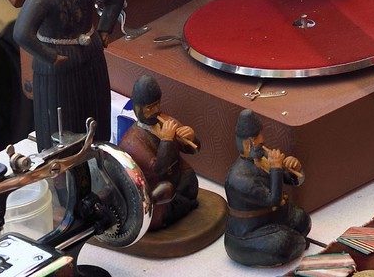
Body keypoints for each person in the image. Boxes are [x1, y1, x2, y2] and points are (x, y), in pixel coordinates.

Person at [12, 0, 125, 150]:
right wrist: (51, 57)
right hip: (59, 64)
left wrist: (104, 29)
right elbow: (22, 32)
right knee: (62, 125)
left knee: (97, 112)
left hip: (92, 54)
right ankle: (65, 167)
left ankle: (100, 156)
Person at [222, 110, 309, 267]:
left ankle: (295, 241)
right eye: (257, 138)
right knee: (282, 245)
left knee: (302, 219)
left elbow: (292, 180)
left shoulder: (261, 159)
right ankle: (294, 243)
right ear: (247, 144)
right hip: (249, 233)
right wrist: (276, 168)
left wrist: (294, 167)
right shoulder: (239, 178)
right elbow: (273, 199)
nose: (262, 140)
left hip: (273, 218)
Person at [116, 74, 201, 232]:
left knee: (189, 180)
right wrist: (167, 141)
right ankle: (180, 208)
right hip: (156, 189)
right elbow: (159, 169)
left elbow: (193, 149)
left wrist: (191, 137)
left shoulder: (165, 120)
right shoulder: (131, 141)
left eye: (157, 105)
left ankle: (184, 203)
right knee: (167, 208)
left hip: (176, 179)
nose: (155, 111)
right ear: (137, 109)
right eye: (149, 108)